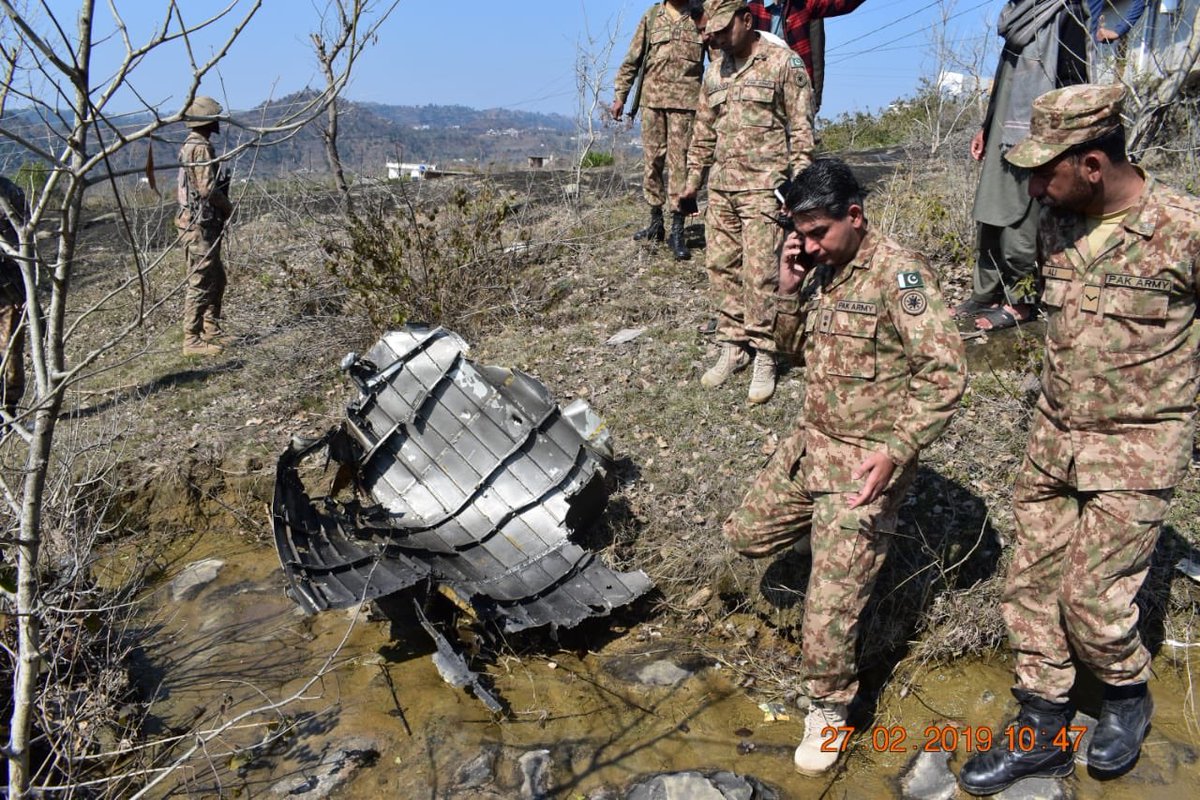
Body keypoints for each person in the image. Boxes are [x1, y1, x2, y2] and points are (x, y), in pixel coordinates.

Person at [958, 83, 1200, 794]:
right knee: (1031, 587)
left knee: (1092, 599)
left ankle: (1126, 693)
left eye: (1046, 170)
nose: (1033, 186)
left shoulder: (1183, 229)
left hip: (1136, 449)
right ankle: (1040, 721)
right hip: (1053, 439)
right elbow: (1054, 303)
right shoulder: (1061, 222)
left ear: (1092, 163)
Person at [724, 158, 965, 775]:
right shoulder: (822, 271)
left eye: (817, 233)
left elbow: (944, 373)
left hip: (865, 464)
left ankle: (829, 709)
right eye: (798, 234)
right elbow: (792, 351)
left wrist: (898, 449)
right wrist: (785, 286)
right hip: (812, 445)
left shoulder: (900, 275)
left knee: (827, 608)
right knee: (746, 538)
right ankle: (839, 555)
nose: (806, 245)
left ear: (854, 217)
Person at [678, 0, 813, 404]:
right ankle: (733, 344)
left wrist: (799, 187)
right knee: (720, 267)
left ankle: (765, 353)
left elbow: (803, 130)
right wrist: (691, 184)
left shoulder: (782, 64)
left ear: (746, 19)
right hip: (722, 189)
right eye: (712, 32)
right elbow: (703, 133)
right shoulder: (715, 70)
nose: (716, 37)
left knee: (760, 274)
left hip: (763, 189)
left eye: (723, 29)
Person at [962, 0, 1089, 332]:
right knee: (990, 212)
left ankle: (1020, 302)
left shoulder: (1062, 13)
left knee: (1022, 219)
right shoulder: (1016, 16)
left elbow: (1075, 84)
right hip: (1004, 129)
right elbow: (1005, 79)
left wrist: (1057, 146)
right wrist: (986, 126)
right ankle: (984, 293)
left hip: (1034, 137)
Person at [612, 0, 707, 260]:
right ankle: (655, 223)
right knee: (652, 161)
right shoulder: (652, 16)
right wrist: (621, 96)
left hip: (686, 105)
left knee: (680, 165)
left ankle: (678, 229)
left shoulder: (700, 15)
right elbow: (632, 59)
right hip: (652, 103)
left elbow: (718, 59)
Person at [177, 95, 233, 357]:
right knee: (200, 279)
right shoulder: (200, 148)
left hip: (202, 222)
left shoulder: (194, 145)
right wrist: (227, 206)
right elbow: (207, 188)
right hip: (199, 223)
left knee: (217, 277)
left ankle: (210, 326)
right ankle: (192, 338)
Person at [746, 0, 868, 114]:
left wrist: (815, 95)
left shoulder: (802, 4)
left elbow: (840, 3)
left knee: (801, 135)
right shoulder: (751, 10)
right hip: (760, 94)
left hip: (797, 93)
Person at [0, 175, 29, 421]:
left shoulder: (8, 193)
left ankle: (8, 413)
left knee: (10, 353)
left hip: (9, 290)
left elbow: (22, 238)